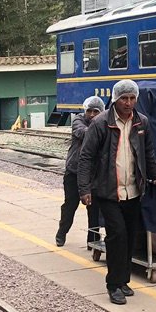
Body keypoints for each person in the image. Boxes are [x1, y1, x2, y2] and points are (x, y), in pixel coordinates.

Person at [78, 79, 156, 305]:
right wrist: (84, 189)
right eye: (124, 98)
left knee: (130, 237)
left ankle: (124, 280)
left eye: (132, 98)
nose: (128, 102)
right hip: (108, 190)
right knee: (117, 236)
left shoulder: (142, 122)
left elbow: (148, 152)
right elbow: (86, 157)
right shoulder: (100, 123)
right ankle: (113, 284)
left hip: (133, 190)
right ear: (115, 99)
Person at [55, 96, 104, 248]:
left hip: (93, 174)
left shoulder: (101, 124)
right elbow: (82, 133)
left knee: (94, 209)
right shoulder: (78, 120)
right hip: (74, 172)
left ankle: (92, 241)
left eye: (96, 112)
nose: (92, 114)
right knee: (70, 205)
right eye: (89, 111)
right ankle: (61, 233)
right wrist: (100, 127)